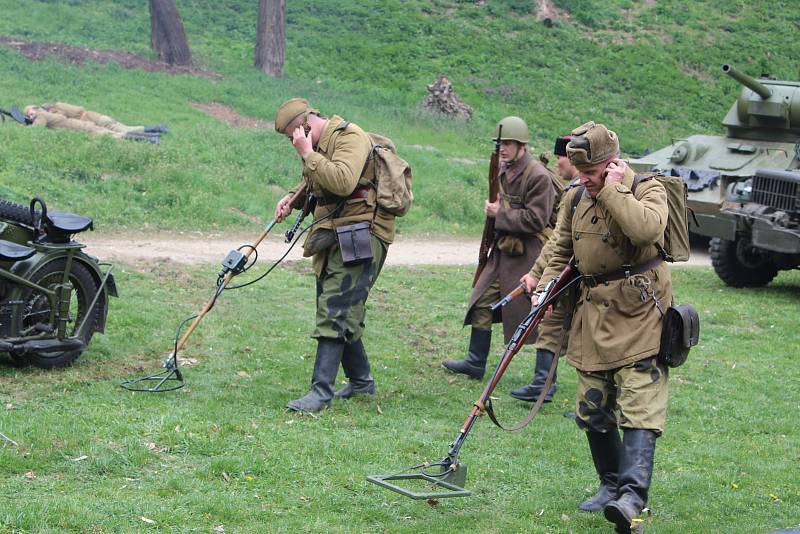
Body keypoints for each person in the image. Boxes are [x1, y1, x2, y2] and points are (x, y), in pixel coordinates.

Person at [535, 121, 672, 533]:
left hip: (640, 313)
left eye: (592, 174)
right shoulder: (577, 195)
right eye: (581, 174)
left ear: (611, 165)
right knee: (593, 408)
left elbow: (647, 229)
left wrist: (613, 190)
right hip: (593, 315)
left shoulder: (647, 188)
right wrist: (543, 292)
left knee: (639, 407)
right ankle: (609, 485)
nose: (585, 182)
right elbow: (560, 249)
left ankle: (632, 498)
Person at [272, 98, 394, 413]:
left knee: (336, 308)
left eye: (292, 136)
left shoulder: (350, 136)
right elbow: (315, 184)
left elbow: (342, 181)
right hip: (335, 235)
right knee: (336, 303)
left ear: (305, 125)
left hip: (362, 234)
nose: (293, 143)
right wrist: (291, 199)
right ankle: (361, 380)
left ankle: (320, 393)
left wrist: (306, 153)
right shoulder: (321, 146)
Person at [442, 116, 558, 380]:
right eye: (500, 144)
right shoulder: (503, 168)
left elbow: (537, 219)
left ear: (522, 146)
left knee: (540, 315)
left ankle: (545, 379)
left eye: (508, 143)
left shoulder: (538, 175)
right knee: (481, 301)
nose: (502, 149)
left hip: (529, 254)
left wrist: (500, 213)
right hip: (503, 251)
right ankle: (475, 362)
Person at [511, 135, 581, 402]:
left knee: (586, 336)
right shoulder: (574, 189)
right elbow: (558, 242)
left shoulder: (577, 191)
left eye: (560, 157)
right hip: (567, 271)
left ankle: (594, 404)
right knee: (551, 323)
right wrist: (537, 273)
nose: (558, 163)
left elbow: (558, 242)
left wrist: (538, 274)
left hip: (578, 273)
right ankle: (543, 384)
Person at [23, 102, 167, 142]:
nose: (31, 116)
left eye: (31, 113)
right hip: (91, 121)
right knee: (121, 131)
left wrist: (28, 123)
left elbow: (37, 129)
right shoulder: (54, 111)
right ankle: (154, 134)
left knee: (119, 133)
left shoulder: (47, 113)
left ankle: (154, 136)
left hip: (91, 122)